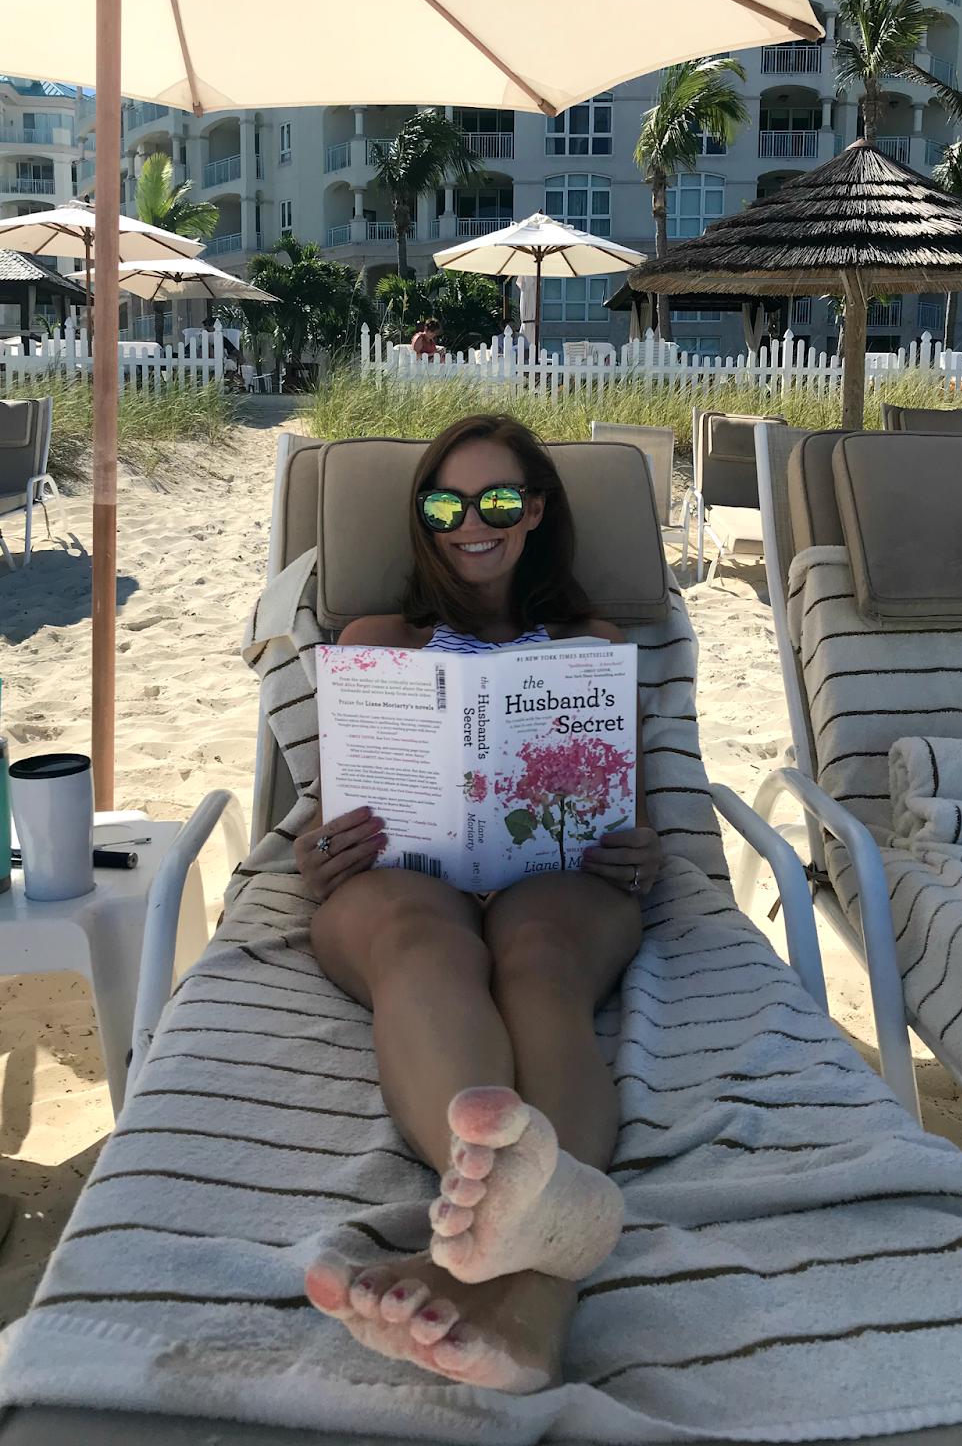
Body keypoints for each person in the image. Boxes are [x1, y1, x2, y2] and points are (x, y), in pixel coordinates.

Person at [299, 414, 662, 1393]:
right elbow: (329, 813)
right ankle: (522, 1271)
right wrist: (320, 847)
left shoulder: (593, 648)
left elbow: (630, 814)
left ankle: (495, 1272)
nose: (471, 523)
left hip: (555, 879)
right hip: (403, 878)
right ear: (422, 516)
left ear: (534, 511)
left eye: (498, 500)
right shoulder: (374, 642)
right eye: (446, 504)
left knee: (538, 965)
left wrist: (638, 848)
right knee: (420, 945)